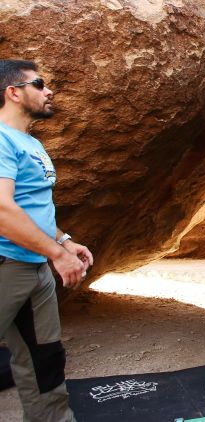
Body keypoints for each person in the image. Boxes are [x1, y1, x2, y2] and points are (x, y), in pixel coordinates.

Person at [0, 59, 93, 422]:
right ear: (13, 92)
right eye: (39, 84)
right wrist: (57, 254)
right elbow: (2, 210)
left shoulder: (29, 142)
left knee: (44, 357)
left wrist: (64, 241)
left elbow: (30, 207)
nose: (49, 90)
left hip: (33, 266)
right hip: (7, 265)